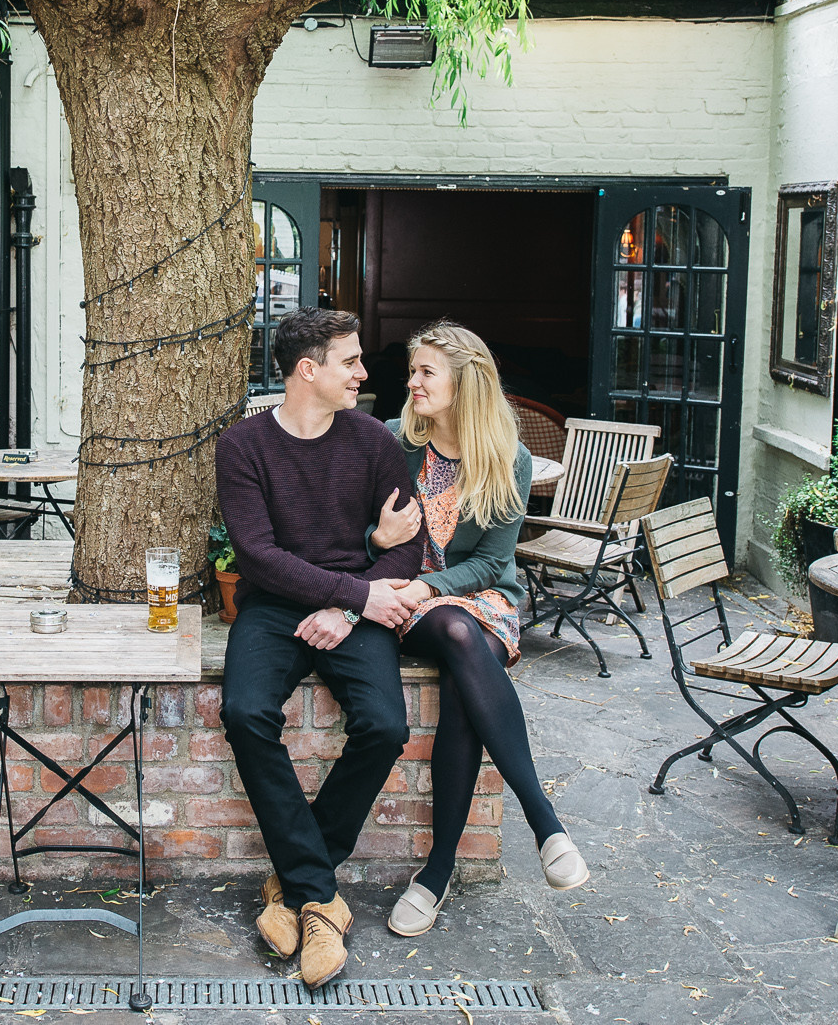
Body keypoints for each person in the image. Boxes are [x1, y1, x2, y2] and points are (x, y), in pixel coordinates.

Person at [215, 308, 425, 989]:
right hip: (275, 609)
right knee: (246, 712)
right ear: (308, 370)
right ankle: (320, 896)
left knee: (386, 724)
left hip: (353, 605)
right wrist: (353, 595)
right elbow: (260, 557)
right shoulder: (243, 446)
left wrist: (347, 603)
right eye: (350, 361)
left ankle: (298, 881)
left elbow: (412, 545)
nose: (364, 373)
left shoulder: (373, 441)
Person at [369, 322, 589, 938]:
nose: (411, 382)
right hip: (411, 605)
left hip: (481, 600)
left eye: (425, 373)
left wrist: (432, 586)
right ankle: (544, 821)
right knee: (459, 637)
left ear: (466, 382)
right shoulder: (392, 444)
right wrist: (388, 554)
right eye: (412, 371)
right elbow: (364, 537)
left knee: (467, 681)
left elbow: (495, 562)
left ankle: (436, 874)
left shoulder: (506, 457)